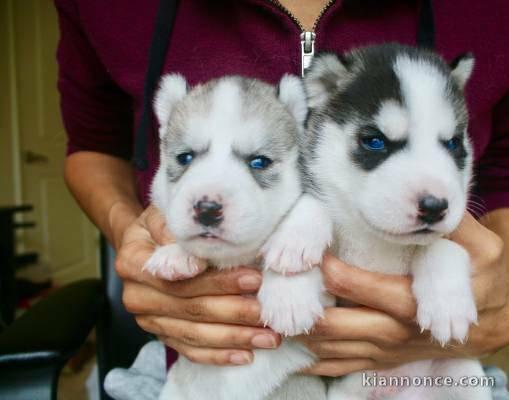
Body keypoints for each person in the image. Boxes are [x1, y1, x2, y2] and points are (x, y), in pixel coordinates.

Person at [55, 0, 509, 394]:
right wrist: (127, 231)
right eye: (376, 142)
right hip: (208, 371)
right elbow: (92, 142)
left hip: (437, 371)